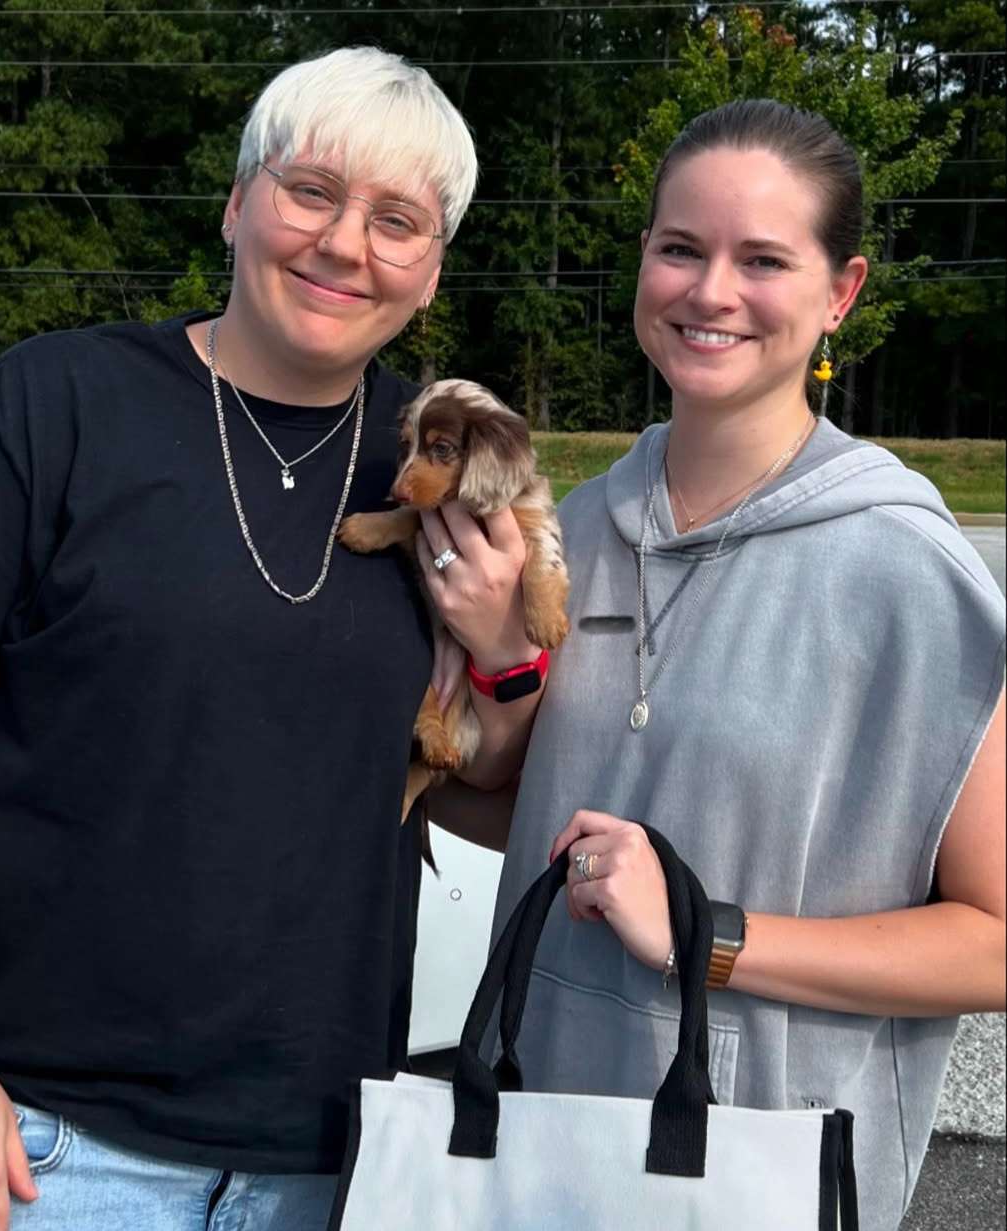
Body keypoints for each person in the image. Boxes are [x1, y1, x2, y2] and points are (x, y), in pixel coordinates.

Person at [0, 46, 542, 1231]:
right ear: (237, 201)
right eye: (309, 191)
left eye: (396, 221)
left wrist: (504, 659)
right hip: (44, 1148)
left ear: (430, 273)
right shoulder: (54, 405)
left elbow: (471, 794)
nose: (342, 244)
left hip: (330, 1157)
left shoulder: (444, 472)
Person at [429, 99, 1005, 1231]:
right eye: (681, 247)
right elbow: (534, 811)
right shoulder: (572, 531)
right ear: (642, 257)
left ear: (842, 291)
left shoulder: (906, 569)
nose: (710, 291)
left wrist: (712, 936)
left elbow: (994, 942)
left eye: (764, 259)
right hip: (533, 1147)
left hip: (758, 1173)